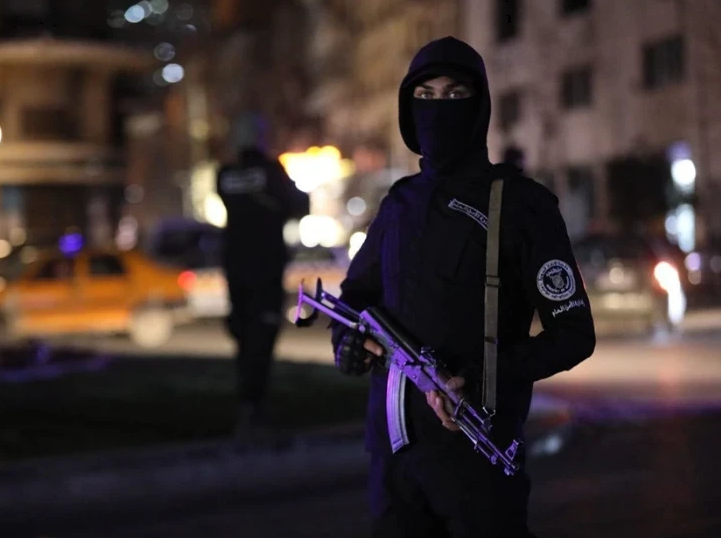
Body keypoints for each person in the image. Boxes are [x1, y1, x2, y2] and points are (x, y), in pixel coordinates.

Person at [330, 36, 596, 537]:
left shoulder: (521, 205)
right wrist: (346, 342)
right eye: (425, 95)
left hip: (478, 457)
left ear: (479, 106)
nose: (439, 108)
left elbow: (574, 334)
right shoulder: (398, 204)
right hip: (394, 464)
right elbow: (356, 298)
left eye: (455, 94)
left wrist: (482, 379)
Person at [216, 143, 309, 435]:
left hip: (235, 263)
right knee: (263, 333)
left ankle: (247, 401)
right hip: (265, 264)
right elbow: (299, 205)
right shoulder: (271, 172)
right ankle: (255, 405)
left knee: (243, 334)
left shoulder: (225, 174)